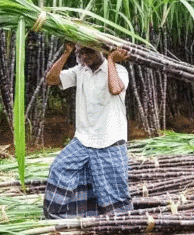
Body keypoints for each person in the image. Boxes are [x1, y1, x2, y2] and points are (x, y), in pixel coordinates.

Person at [43, 41, 133, 219]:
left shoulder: (118, 70)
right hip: (83, 140)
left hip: (110, 141)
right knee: (59, 169)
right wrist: (67, 52)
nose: (84, 57)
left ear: (100, 50)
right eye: (80, 53)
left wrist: (112, 60)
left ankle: (121, 225)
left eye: (89, 52)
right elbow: (51, 80)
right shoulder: (80, 70)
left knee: (113, 192)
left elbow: (115, 89)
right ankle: (65, 220)